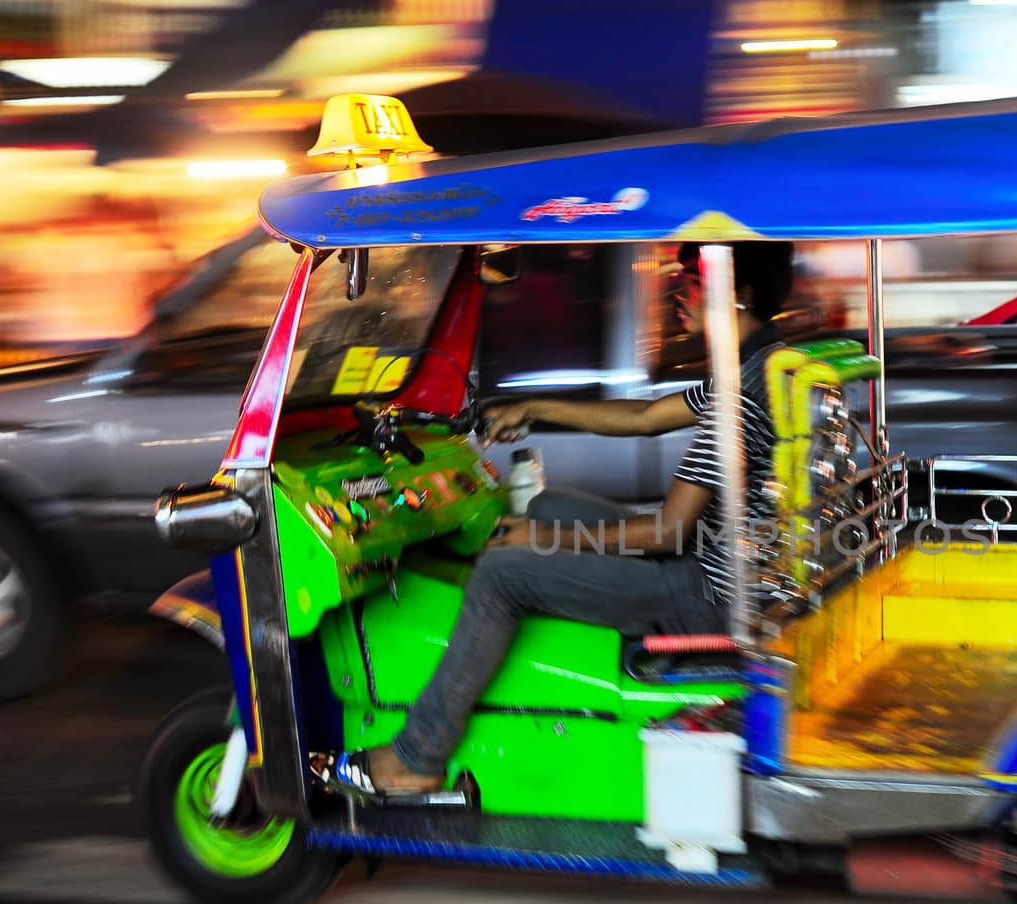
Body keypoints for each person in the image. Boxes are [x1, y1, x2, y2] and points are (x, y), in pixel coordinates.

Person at [326, 241, 795, 797]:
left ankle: (418, 755)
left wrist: (544, 541)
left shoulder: (741, 395)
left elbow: (669, 530)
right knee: (548, 505)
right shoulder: (763, 365)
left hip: (711, 596)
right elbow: (645, 417)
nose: (677, 292)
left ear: (735, 293)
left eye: (691, 279)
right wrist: (535, 408)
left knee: (505, 574)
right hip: (725, 569)